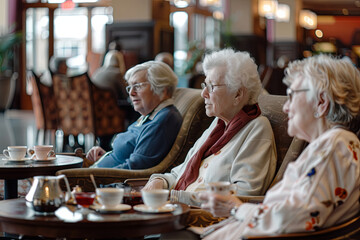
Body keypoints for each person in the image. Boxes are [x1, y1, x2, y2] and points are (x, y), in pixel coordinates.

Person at [198, 54, 360, 239]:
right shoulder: (331, 144)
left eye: (291, 95)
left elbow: (294, 217)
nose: (285, 107)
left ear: (321, 102)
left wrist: (236, 208)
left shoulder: (334, 146)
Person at [143, 48, 277, 206]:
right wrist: (160, 181)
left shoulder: (257, 128)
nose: (203, 93)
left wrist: (176, 197)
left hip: (205, 221)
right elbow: (181, 173)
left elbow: (244, 193)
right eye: (204, 85)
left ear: (238, 94)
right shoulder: (218, 125)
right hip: (179, 210)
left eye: (212, 86)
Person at [86, 61, 182, 169]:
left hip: (104, 182)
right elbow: (129, 153)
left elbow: (135, 169)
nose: (131, 93)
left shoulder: (163, 120)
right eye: (130, 87)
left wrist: (93, 175)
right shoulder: (152, 114)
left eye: (138, 86)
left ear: (162, 90)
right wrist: (106, 156)